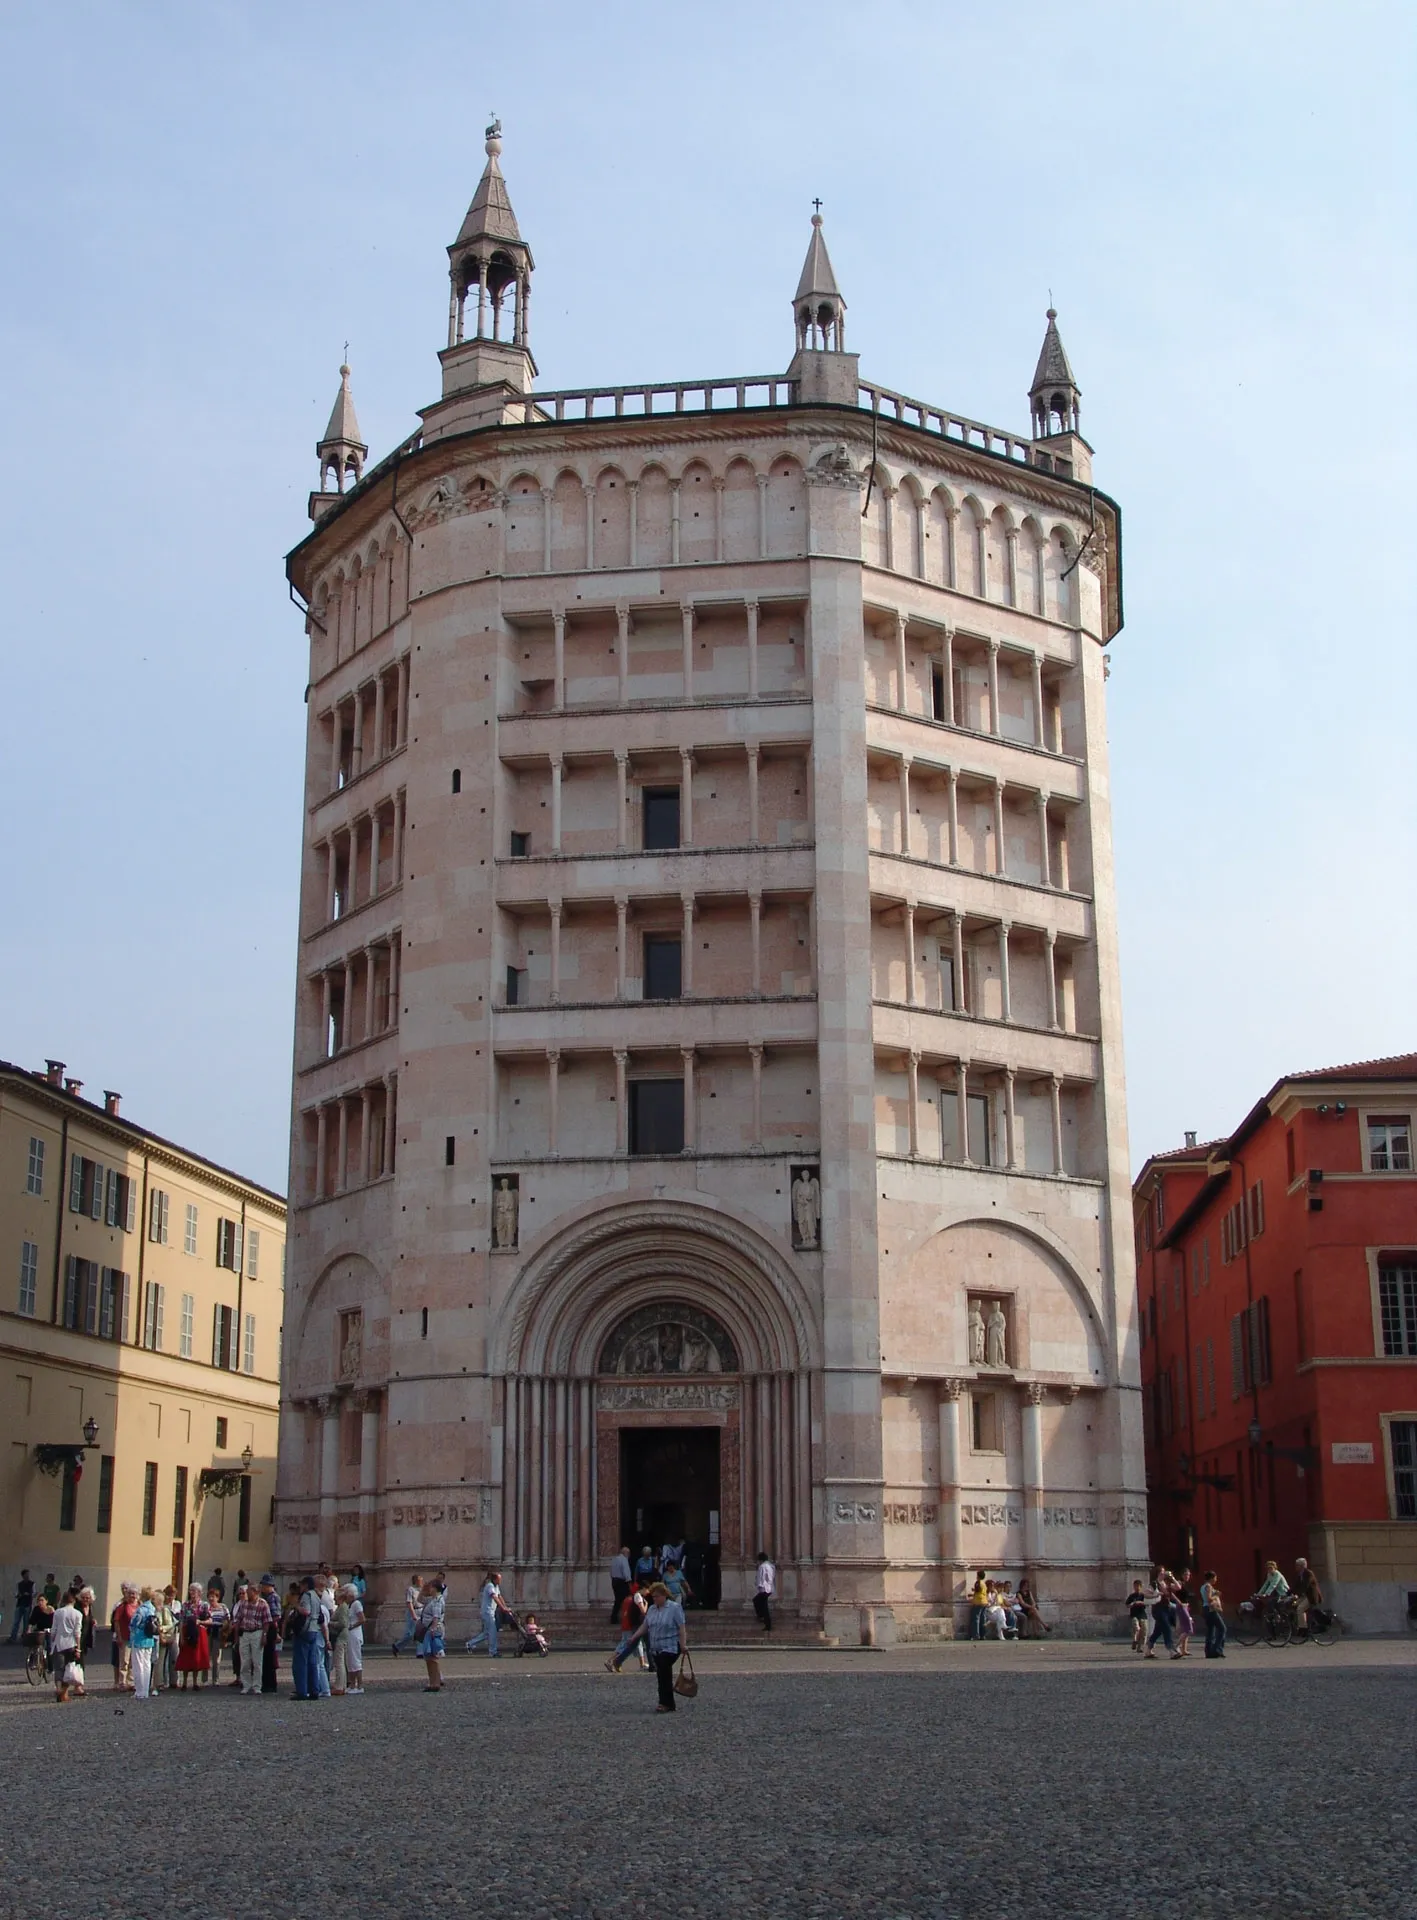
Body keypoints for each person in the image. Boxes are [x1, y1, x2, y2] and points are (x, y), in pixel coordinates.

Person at [643, 1582, 688, 1714]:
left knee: (664, 1671)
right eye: (653, 1597)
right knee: (662, 1674)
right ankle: (668, 1703)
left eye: (656, 1596)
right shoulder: (652, 1609)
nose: (654, 1599)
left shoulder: (674, 1608)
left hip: (671, 1646)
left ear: (664, 1595)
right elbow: (645, 1626)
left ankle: (665, 1703)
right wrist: (633, 1638)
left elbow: (681, 1628)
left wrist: (683, 1644)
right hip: (656, 1647)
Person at [232, 1580, 272, 1696]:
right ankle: (246, 1685)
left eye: (249, 1591)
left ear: (255, 1592)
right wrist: (237, 1637)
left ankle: (257, 1686)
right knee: (245, 1661)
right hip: (245, 1633)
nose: (247, 1593)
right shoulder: (243, 1604)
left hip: (257, 1632)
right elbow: (238, 1620)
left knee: (257, 1661)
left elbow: (266, 1622)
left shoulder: (263, 1604)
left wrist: (264, 1635)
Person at [292, 1576, 328, 1700]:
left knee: (301, 1662)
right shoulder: (317, 1596)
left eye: (301, 1585)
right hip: (314, 1630)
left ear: (306, 1585)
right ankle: (314, 1690)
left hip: (305, 1630)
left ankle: (302, 1691)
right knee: (313, 1663)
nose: (300, 1587)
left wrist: (296, 1606)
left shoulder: (307, 1595)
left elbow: (306, 1611)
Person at [605, 1582, 651, 1672]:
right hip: (633, 1625)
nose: (648, 1592)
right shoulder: (638, 1598)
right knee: (628, 1644)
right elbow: (642, 1611)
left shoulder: (628, 1599)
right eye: (648, 1590)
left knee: (636, 1644)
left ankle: (642, 1663)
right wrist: (646, 1604)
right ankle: (611, 1660)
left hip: (629, 1625)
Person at [49, 1590, 84, 1703]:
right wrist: (78, 1648)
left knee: (59, 1668)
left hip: (59, 1644)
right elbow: (77, 1632)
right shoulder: (78, 1614)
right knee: (69, 1669)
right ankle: (65, 1693)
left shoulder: (58, 1612)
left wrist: (52, 1641)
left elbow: (53, 1630)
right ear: (74, 1600)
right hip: (71, 1644)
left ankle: (58, 1688)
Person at [175, 1584, 211, 1690]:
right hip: (187, 1631)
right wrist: (181, 1636)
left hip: (199, 1632)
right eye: (190, 1591)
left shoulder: (204, 1605)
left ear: (199, 1593)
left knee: (196, 1657)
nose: (192, 1593)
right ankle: (185, 1682)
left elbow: (210, 1620)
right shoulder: (185, 1605)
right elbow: (181, 1621)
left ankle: (195, 1682)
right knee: (186, 1657)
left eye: (194, 1591)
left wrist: (201, 1621)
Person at [417, 1577, 447, 1691]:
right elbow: (420, 1600)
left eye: (430, 1587)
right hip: (430, 1630)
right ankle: (432, 1681)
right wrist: (423, 1590)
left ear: (434, 1588)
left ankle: (435, 1683)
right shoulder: (433, 1600)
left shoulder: (438, 1601)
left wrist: (433, 1630)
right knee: (428, 1657)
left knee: (432, 1657)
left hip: (433, 1630)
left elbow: (436, 1617)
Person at [1145, 1568, 1182, 1660]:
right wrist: (1155, 1595)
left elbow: (1178, 1587)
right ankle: (1172, 1651)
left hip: (1167, 1609)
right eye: (1161, 1572)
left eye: (1164, 1572)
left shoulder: (1167, 1583)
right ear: (1158, 1573)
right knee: (1167, 1628)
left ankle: (1148, 1649)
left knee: (1158, 1631)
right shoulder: (1154, 1584)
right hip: (1158, 1609)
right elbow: (1145, 1594)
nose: (1163, 1573)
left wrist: (1172, 1577)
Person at [129, 1587, 159, 1699]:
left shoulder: (141, 1609)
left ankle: (139, 1691)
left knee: (138, 1666)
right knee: (147, 1665)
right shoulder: (152, 1608)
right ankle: (145, 1690)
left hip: (139, 1639)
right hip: (149, 1639)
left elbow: (134, 1623)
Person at [465, 1570, 504, 1656]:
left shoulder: (496, 1586)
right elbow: (494, 1597)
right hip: (487, 1612)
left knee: (487, 1633)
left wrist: (505, 1607)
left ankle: (470, 1644)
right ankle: (493, 1652)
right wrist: (502, 1608)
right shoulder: (490, 1586)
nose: (500, 1581)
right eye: (499, 1579)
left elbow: (500, 1597)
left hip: (491, 1612)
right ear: (494, 1579)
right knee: (492, 1632)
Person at [259, 1577, 282, 1693]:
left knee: (269, 1656)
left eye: (263, 1585)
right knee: (266, 1657)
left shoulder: (273, 1597)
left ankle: (271, 1684)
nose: (262, 1587)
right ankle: (267, 1682)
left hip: (271, 1627)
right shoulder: (266, 1597)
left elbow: (277, 1614)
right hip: (268, 1626)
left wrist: (268, 1621)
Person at [391, 1573, 423, 1655]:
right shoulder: (410, 1589)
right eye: (420, 1580)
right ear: (416, 1581)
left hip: (421, 1610)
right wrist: (413, 1615)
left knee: (421, 1632)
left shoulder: (422, 1590)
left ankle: (420, 1652)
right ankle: (397, 1646)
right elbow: (409, 1603)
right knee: (410, 1634)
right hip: (413, 1611)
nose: (422, 1581)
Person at [206, 1585, 231, 1686]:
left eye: (214, 1596)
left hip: (219, 1632)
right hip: (208, 1632)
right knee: (206, 1656)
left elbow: (228, 1619)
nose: (211, 1598)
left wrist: (225, 1629)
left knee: (216, 1658)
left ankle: (215, 1679)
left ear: (218, 1597)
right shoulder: (206, 1607)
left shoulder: (223, 1607)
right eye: (210, 1596)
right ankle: (204, 1679)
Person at [329, 1587, 351, 1695]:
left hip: (340, 1636)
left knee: (339, 1662)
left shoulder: (342, 1607)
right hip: (343, 1636)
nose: (334, 1600)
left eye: (335, 1597)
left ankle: (339, 1686)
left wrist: (330, 1623)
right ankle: (341, 1684)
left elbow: (343, 1623)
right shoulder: (342, 1607)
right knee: (340, 1661)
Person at [1200, 1569, 1226, 1659]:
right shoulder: (1208, 1586)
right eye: (1215, 1578)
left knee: (1210, 1631)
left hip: (1205, 1609)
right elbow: (1209, 1599)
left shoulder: (1203, 1586)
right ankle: (1217, 1650)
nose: (1216, 1579)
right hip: (1210, 1609)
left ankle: (1209, 1651)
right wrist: (1217, 1595)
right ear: (1211, 1578)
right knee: (1222, 1629)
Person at [155, 1586, 177, 1691]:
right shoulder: (155, 1609)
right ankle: (160, 1682)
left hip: (165, 1636)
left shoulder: (164, 1609)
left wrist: (161, 1629)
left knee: (167, 1659)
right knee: (159, 1660)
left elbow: (170, 1624)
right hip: (157, 1637)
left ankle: (170, 1682)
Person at [345, 1584, 366, 1692]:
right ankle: (352, 1684)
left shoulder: (356, 1604)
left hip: (354, 1633)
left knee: (355, 1660)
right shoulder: (350, 1605)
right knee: (351, 1660)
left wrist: (351, 1626)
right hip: (351, 1634)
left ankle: (359, 1685)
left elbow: (362, 1619)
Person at [1293, 1558, 1323, 1630]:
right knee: (1294, 1605)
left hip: (1311, 1596)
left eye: (1297, 1565)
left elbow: (1306, 1585)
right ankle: (1302, 1623)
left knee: (1300, 1608)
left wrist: (1298, 1594)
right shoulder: (1300, 1574)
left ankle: (1303, 1628)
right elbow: (1296, 1586)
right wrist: (1288, 1593)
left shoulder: (1308, 1573)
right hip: (1304, 1596)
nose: (1296, 1567)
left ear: (1302, 1566)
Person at [1173, 1568, 1196, 1657]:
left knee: (1185, 1628)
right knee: (1189, 1630)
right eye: (1186, 1574)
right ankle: (1176, 1646)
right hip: (1181, 1606)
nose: (1187, 1576)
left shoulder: (1187, 1584)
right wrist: (1179, 1602)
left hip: (1186, 1607)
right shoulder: (1179, 1582)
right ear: (1182, 1575)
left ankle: (1184, 1649)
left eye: (1189, 1575)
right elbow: (1172, 1593)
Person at [8, 1568, 34, 1643]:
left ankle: (25, 1637)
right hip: (19, 1604)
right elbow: (16, 1594)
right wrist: (20, 1595)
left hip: (27, 1604)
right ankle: (13, 1637)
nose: (28, 1576)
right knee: (16, 1622)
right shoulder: (19, 1584)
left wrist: (29, 1594)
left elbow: (34, 1593)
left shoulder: (32, 1583)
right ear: (23, 1576)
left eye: (28, 1574)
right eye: (26, 1574)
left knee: (26, 1622)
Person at [609, 1545, 632, 1625]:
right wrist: (629, 1583)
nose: (629, 1555)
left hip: (614, 1581)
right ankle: (625, 1617)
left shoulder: (614, 1559)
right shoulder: (624, 1560)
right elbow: (626, 1572)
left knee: (618, 1600)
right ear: (625, 1553)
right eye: (628, 1553)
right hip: (621, 1582)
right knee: (626, 1600)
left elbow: (611, 1572)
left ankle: (615, 1618)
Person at [753, 1551, 775, 1632]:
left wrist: (760, 1586)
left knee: (758, 1602)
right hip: (768, 1588)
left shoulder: (763, 1566)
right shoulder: (770, 1565)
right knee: (761, 1604)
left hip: (765, 1589)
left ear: (760, 1560)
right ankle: (765, 1621)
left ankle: (764, 1619)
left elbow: (762, 1578)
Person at [1127, 1579, 1150, 1653]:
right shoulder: (1131, 1596)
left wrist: (1140, 1602)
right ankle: (1135, 1640)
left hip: (1142, 1614)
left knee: (1144, 1631)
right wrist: (1131, 1604)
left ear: (1141, 1586)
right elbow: (1127, 1604)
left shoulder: (1143, 1595)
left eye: (1138, 1586)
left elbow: (1147, 1603)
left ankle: (1140, 1647)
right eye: (1135, 1586)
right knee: (1136, 1627)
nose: (1136, 1587)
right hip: (1134, 1615)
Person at [969, 1570, 990, 1641]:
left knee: (976, 1618)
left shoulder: (978, 1583)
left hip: (978, 1602)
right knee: (982, 1619)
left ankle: (976, 1635)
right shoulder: (984, 1584)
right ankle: (983, 1635)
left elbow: (978, 1590)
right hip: (984, 1601)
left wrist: (973, 1590)